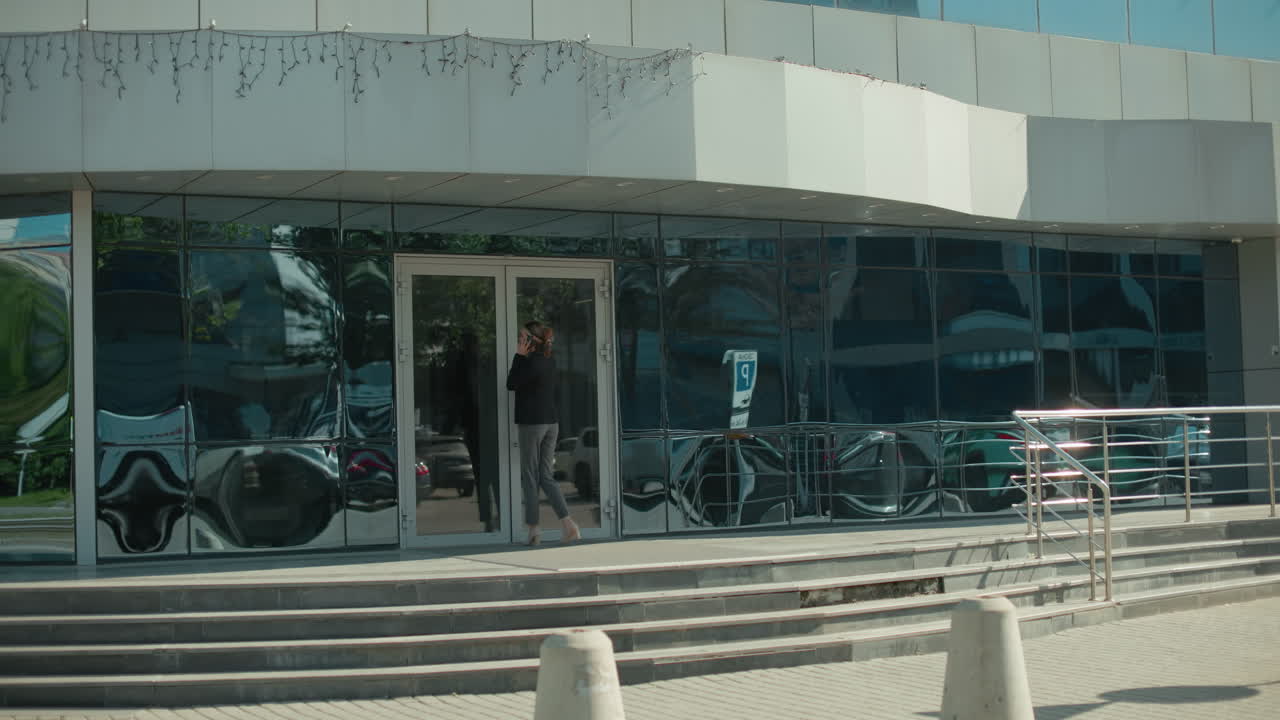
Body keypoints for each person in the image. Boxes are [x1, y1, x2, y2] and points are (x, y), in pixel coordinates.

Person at [506, 321, 581, 545]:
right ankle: (569, 525)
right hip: (551, 423)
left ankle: (534, 530)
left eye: (522, 337)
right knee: (546, 476)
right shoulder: (550, 361)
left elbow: (511, 384)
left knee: (530, 476)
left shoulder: (529, 363)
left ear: (531, 341)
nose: (519, 341)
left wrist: (518, 356)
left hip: (532, 424)